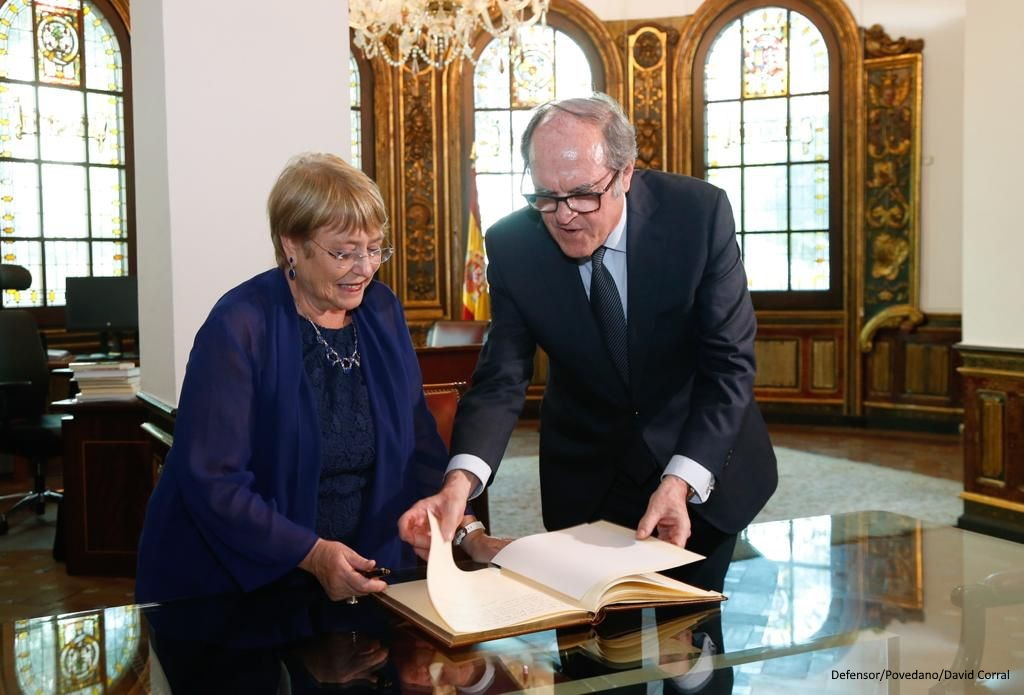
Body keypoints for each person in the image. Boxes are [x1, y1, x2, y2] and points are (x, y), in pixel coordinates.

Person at [399, 93, 778, 592]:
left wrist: (681, 479)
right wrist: (459, 484)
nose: (564, 216)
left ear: (624, 173)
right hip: (587, 476)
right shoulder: (513, 245)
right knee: (586, 647)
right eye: (545, 197)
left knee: (695, 649)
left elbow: (728, 365)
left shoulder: (696, 215)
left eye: (583, 194)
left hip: (698, 458)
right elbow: (502, 377)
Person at [136, 153, 498, 605]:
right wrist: (310, 554)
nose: (364, 267)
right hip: (237, 586)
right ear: (292, 244)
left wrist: (463, 529)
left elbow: (418, 441)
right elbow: (214, 479)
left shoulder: (382, 310)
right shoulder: (240, 326)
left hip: (366, 572)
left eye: (375, 248)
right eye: (344, 252)